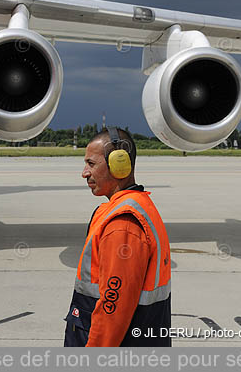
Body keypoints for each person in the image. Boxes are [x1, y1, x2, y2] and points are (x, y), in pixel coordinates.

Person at [64, 127, 171, 347]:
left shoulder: (122, 225)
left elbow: (113, 312)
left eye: (91, 164)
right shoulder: (130, 207)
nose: (84, 173)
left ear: (118, 164)